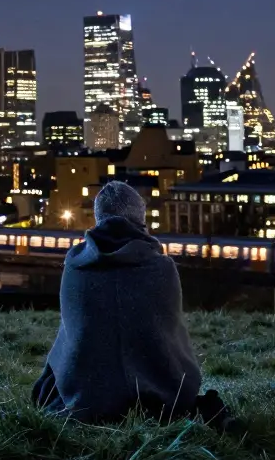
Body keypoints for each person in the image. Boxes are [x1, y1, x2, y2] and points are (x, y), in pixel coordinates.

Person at [31, 181, 203, 423]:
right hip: (160, 402)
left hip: (85, 401)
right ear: (140, 219)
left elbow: (70, 339)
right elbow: (173, 339)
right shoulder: (162, 268)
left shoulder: (75, 266)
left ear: (98, 216)